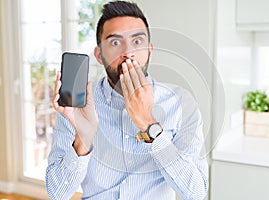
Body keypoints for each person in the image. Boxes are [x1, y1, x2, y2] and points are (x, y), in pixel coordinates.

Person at [46, 1, 208, 199]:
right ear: (99, 54)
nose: (128, 53)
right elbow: (57, 193)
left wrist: (149, 125)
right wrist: (83, 138)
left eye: (137, 41)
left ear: (150, 50)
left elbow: (196, 193)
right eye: (115, 42)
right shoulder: (78, 108)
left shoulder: (182, 103)